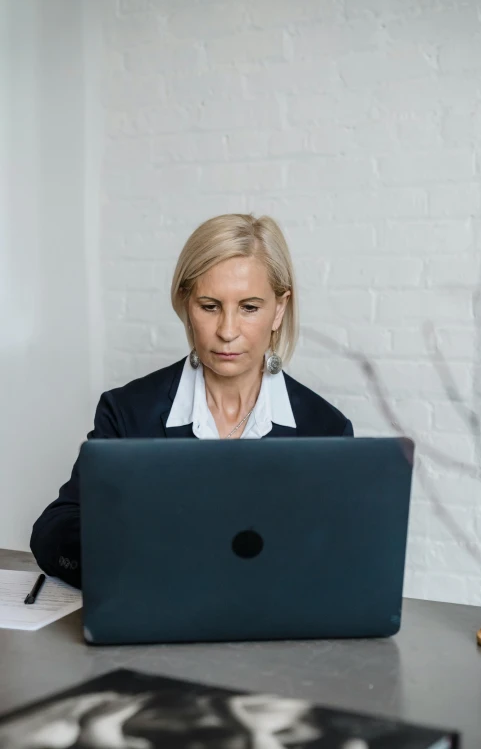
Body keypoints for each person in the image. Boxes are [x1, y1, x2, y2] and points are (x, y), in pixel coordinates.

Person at [30, 214, 354, 588]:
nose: (227, 331)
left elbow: (337, 557)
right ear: (186, 304)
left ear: (279, 309)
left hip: (273, 632)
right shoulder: (127, 412)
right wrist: (141, 560)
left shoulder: (326, 429)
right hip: (156, 625)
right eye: (210, 306)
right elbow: (54, 531)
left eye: (249, 307)